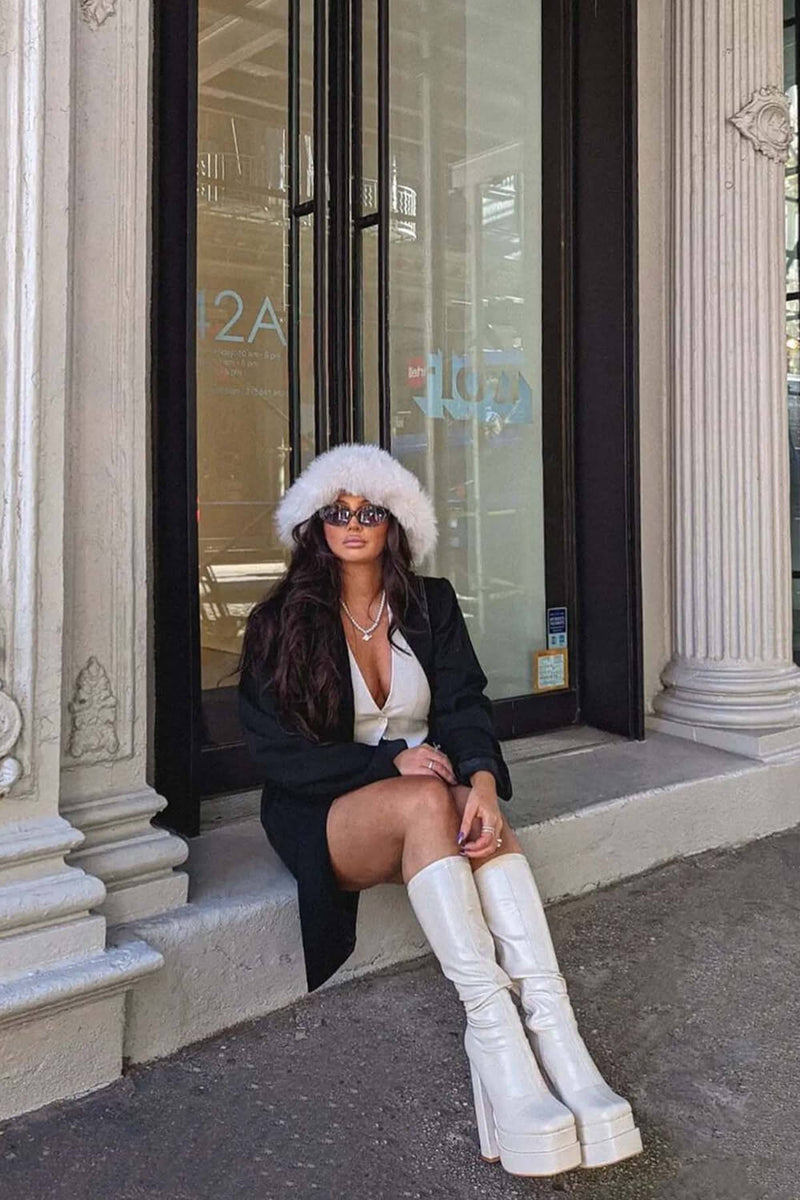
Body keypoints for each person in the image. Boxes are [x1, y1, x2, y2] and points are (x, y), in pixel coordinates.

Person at [238, 442, 642, 1178]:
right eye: (337, 512)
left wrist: (483, 781)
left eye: (370, 512)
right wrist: (384, 761)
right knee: (430, 794)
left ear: (395, 524)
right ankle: (495, 1031)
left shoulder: (432, 604)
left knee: (461, 805)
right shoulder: (280, 620)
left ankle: (554, 1037)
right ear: (316, 525)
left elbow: (462, 704)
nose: (353, 524)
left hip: (426, 805)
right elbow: (274, 753)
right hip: (322, 810)